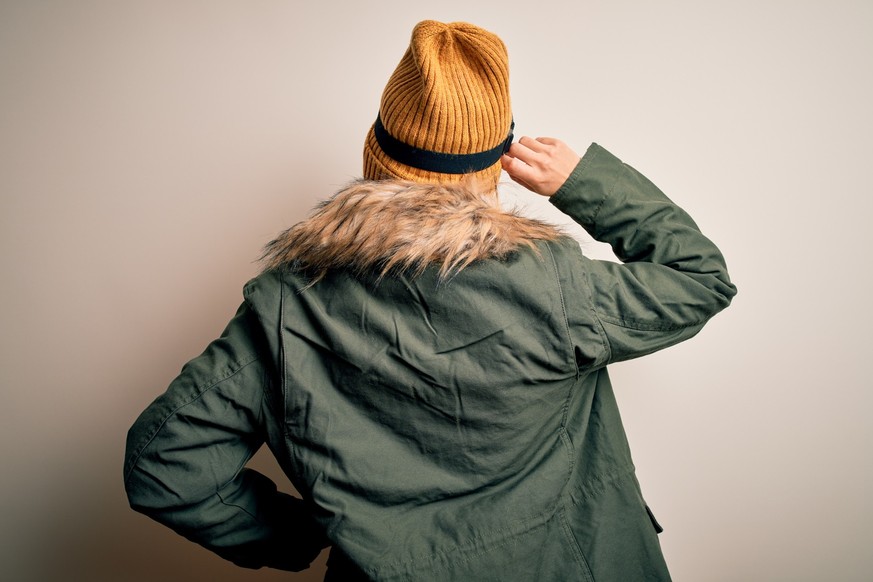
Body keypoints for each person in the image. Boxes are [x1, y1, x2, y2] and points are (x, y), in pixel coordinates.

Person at [124, 20, 736, 581]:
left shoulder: (287, 305)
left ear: (376, 151)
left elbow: (164, 467)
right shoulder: (554, 285)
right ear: (496, 163)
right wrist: (583, 183)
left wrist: (313, 537)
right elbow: (701, 280)